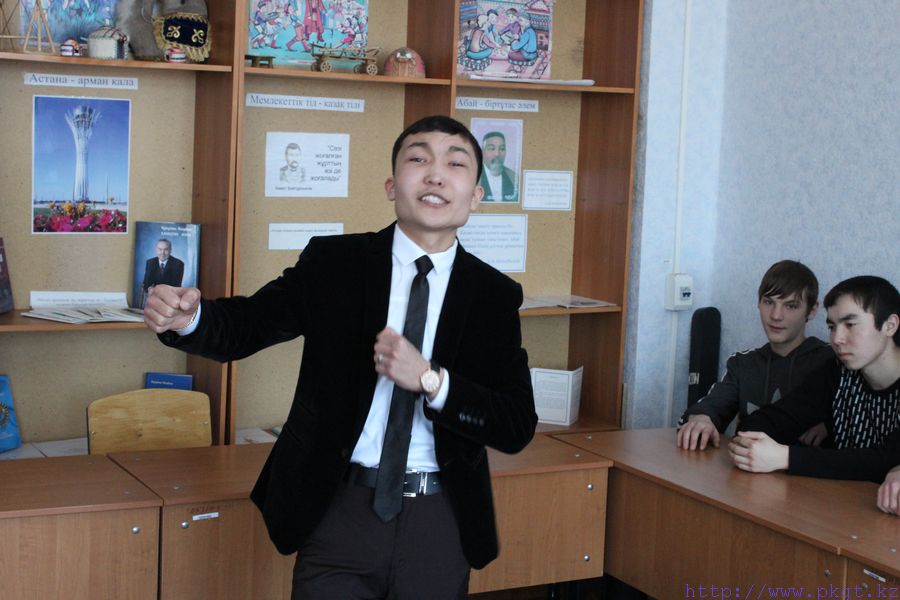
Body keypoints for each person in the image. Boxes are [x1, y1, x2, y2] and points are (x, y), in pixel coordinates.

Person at [142, 115, 537, 599]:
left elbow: (515, 424)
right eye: (418, 159)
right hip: (339, 507)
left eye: (455, 164)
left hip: (440, 516)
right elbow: (250, 324)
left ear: (475, 196)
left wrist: (431, 379)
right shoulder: (335, 264)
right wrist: (191, 319)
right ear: (392, 186)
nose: (435, 174)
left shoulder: (494, 295)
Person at [728, 276, 900, 486]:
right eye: (832, 327)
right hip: (841, 498)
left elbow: (885, 460)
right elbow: (775, 418)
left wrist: (785, 457)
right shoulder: (837, 371)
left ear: (890, 325)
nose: (837, 339)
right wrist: (750, 442)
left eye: (850, 324)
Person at [677, 260, 834, 450]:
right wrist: (702, 418)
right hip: (743, 465)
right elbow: (712, 405)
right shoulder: (743, 363)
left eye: (791, 306)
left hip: (806, 468)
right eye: (769, 302)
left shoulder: (831, 360)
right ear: (758, 303)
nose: (776, 315)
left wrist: (831, 425)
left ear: (812, 310)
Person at [478, 131, 518, 203]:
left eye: (502, 149)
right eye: (492, 148)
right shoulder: (474, 176)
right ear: (482, 151)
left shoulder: (513, 177)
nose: (497, 154)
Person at [141, 239, 184, 305]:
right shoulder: (150, 262)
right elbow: (146, 282)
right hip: (154, 296)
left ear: (170, 250)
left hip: (170, 298)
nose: (162, 253)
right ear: (156, 250)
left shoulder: (178, 264)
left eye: (166, 249)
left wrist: (159, 292)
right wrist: (149, 288)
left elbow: (176, 285)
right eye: (160, 249)